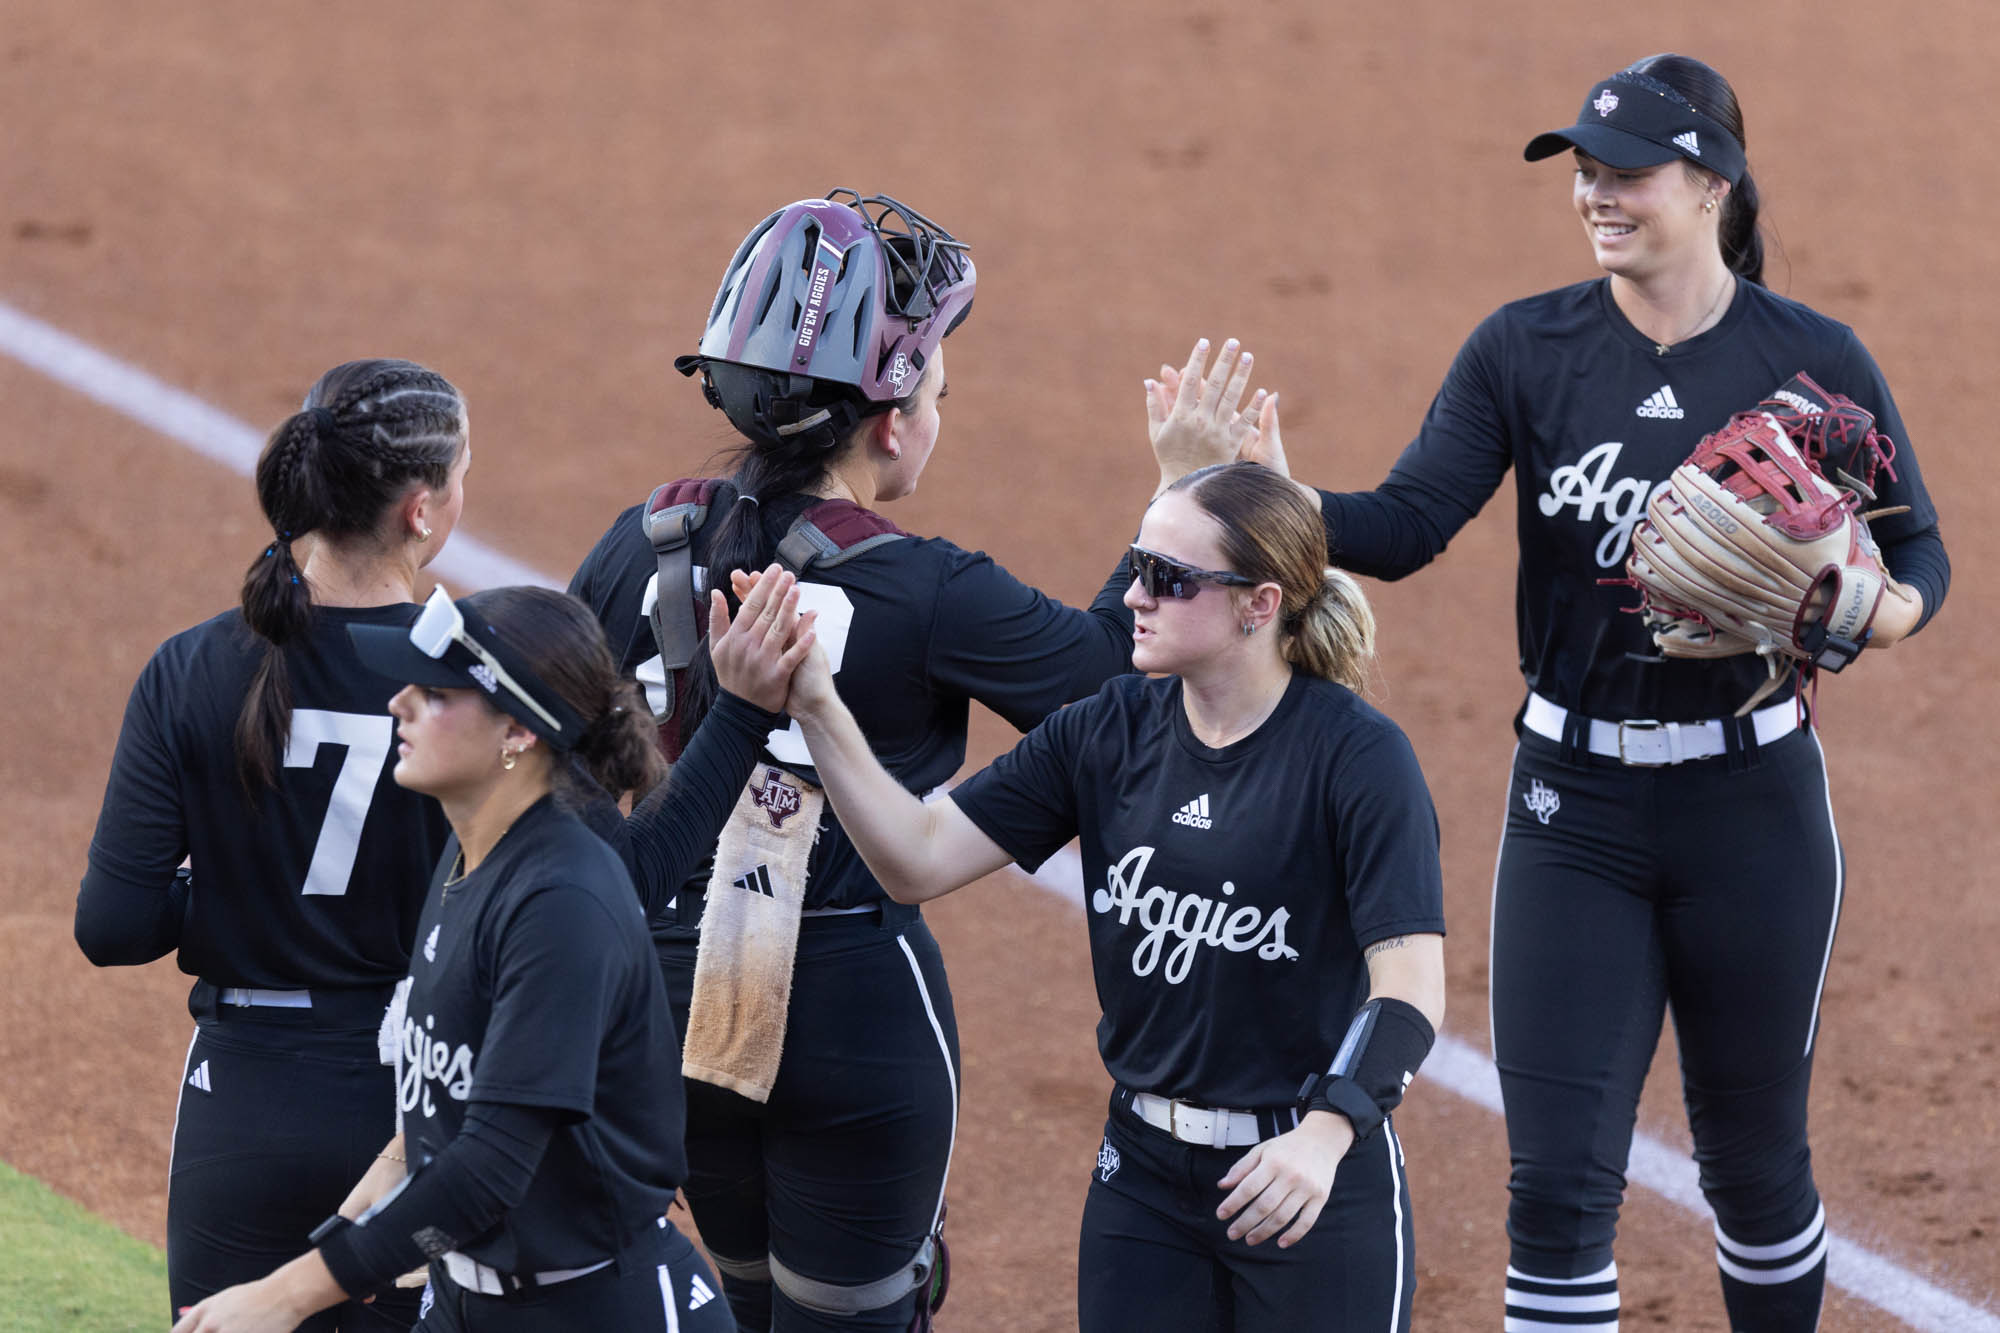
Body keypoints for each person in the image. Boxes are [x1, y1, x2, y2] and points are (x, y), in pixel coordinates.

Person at [1206, 54, 1950, 1333]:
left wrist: (1880, 609)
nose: (1594, 195)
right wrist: (1282, 496)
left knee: (1756, 1172)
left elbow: (1918, 548)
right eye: (1584, 173)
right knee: (1552, 1190)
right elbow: (1406, 521)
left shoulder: (1808, 357)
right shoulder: (1523, 348)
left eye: (1624, 173)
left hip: (1753, 806)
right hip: (1574, 813)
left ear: (1709, 183)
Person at [567, 190, 1261, 1332]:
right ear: (889, 420)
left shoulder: (637, 537)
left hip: (666, 998)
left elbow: (561, 736)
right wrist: (1176, 488)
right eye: (937, 383)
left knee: (742, 1309)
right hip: (848, 1003)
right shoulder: (923, 584)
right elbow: (1109, 674)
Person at [702, 462, 1447, 1332]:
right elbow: (917, 857)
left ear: (1259, 603)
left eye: (1169, 579)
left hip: (1305, 1177)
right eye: (1137, 564)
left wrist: (1327, 1133)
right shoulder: (1107, 726)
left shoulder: (1356, 757)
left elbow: (1410, 987)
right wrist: (819, 705)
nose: (1134, 594)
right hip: (1145, 1180)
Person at [167, 577, 816, 1332]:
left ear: (517, 733)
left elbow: (487, 1175)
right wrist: (333, 1244)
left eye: (437, 693)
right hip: (471, 1299)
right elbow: (439, 1111)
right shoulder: (469, 855)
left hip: (596, 1310)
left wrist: (288, 1295)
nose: (399, 703)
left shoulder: (560, 904)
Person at [77, 358, 471, 1330]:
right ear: (419, 511)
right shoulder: (474, 684)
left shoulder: (194, 667)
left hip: (240, 1105)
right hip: (412, 1106)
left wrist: (230, 892)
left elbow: (112, 925)